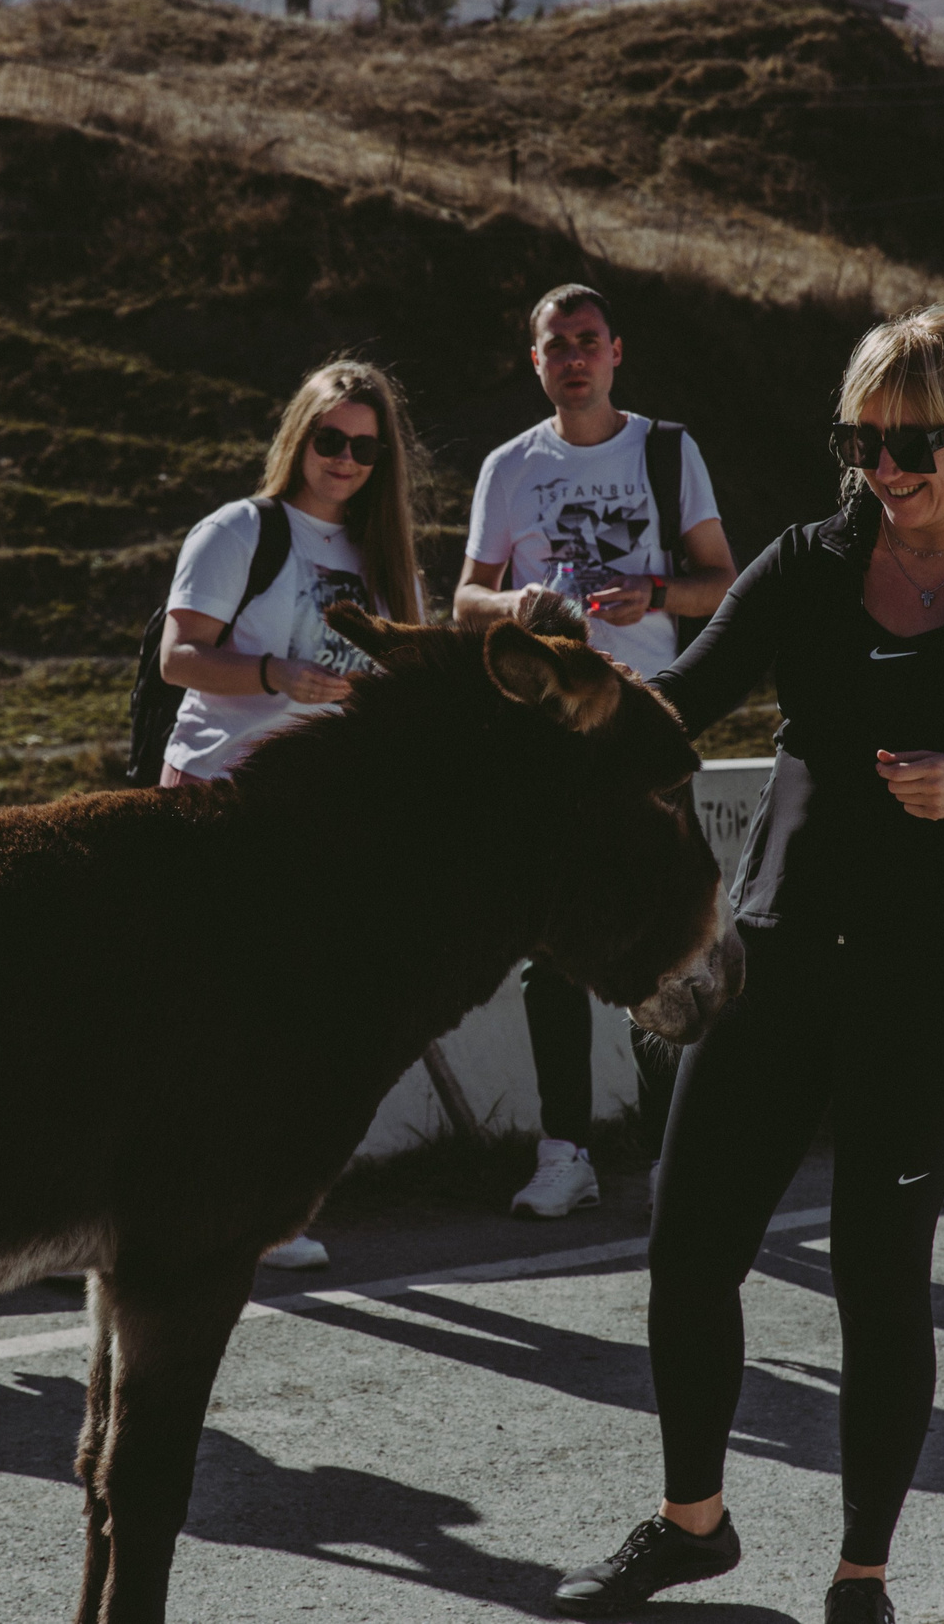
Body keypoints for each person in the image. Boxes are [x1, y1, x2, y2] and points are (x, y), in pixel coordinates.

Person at [549, 306, 944, 1623]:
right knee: (687, 1250)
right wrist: (553, 700)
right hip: (773, 964)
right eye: (861, 440)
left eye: (913, 444)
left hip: (928, 985)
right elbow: (677, 702)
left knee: (876, 1271)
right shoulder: (805, 566)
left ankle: (862, 1572)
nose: (885, 471)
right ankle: (693, 1522)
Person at [453, 284, 737, 1220]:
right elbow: (466, 602)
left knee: (668, 931)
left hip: (649, 727)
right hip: (552, 737)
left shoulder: (667, 450)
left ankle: (671, 1153)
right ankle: (565, 1150)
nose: (572, 358)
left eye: (587, 341)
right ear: (535, 363)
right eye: (554, 345)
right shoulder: (509, 467)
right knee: (550, 948)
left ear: (617, 352)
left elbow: (719, 583)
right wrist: (522, 609)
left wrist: (651, 591)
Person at [155, 358, 429, 1272]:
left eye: (364, 445)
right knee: (200, 1017)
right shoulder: (243, 529)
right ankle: (156, 1204)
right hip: (218, 795)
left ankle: (264, 1211)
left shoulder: (384, 555)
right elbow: (179, 657)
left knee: (293, 1024)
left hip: (325, 814)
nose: (345, 459)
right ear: (298, 436)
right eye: (329, 439)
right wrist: (275, 675)